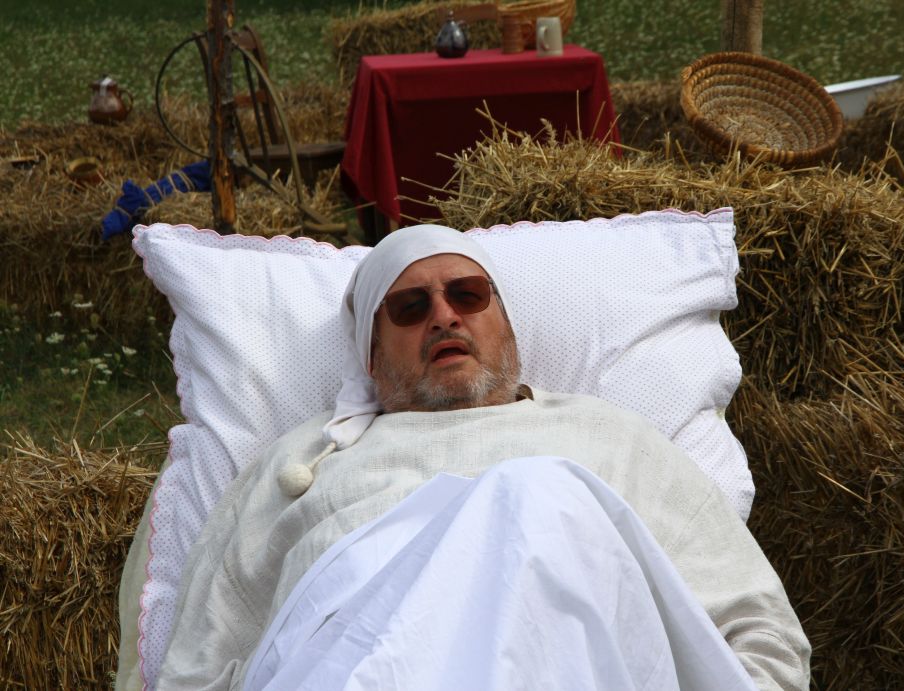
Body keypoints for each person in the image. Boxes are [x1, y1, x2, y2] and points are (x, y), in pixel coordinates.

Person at [131, 225, 811, 690]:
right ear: (371, 357)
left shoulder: (610, 437)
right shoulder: (304, 463)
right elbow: (203, 655)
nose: (444, 317)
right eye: (409, 307)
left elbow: (753, 624)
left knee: (537, 495)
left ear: (505, 327)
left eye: (467, 295)